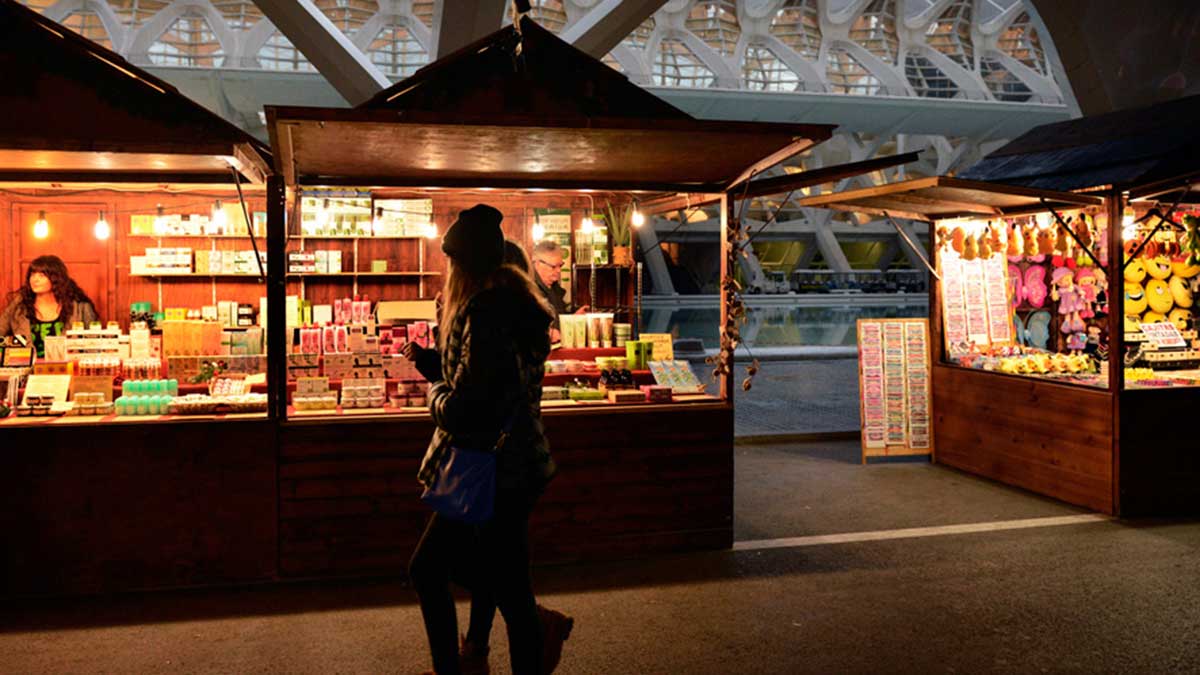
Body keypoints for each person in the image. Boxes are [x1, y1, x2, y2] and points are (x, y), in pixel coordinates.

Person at [410, 206, 571, 675]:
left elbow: (466, 409)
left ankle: (455, 668)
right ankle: (529, 635)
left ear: (464, 265)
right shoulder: (518, 307)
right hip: (518, 463)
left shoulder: (485, 313)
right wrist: (442, 370)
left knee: (430, 569)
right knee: (507, 583)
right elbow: (489, 382)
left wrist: (433, 392)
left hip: (489, 466)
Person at [1, 255, 98, 358]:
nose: (35, 279)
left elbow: (94, 346)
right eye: (32, 274)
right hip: (28, 371)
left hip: (68, 369)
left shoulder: (80, 307)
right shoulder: (19, 306)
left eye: (42, 275)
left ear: (56, 278)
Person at [530, 240, 587, 343]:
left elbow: (558, 322)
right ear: (538, 264)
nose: (558, 271)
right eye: (553, 267)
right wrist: (546, 333)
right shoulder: (528, 288)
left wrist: (573, 319)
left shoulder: (555, 288)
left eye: (560, 266)